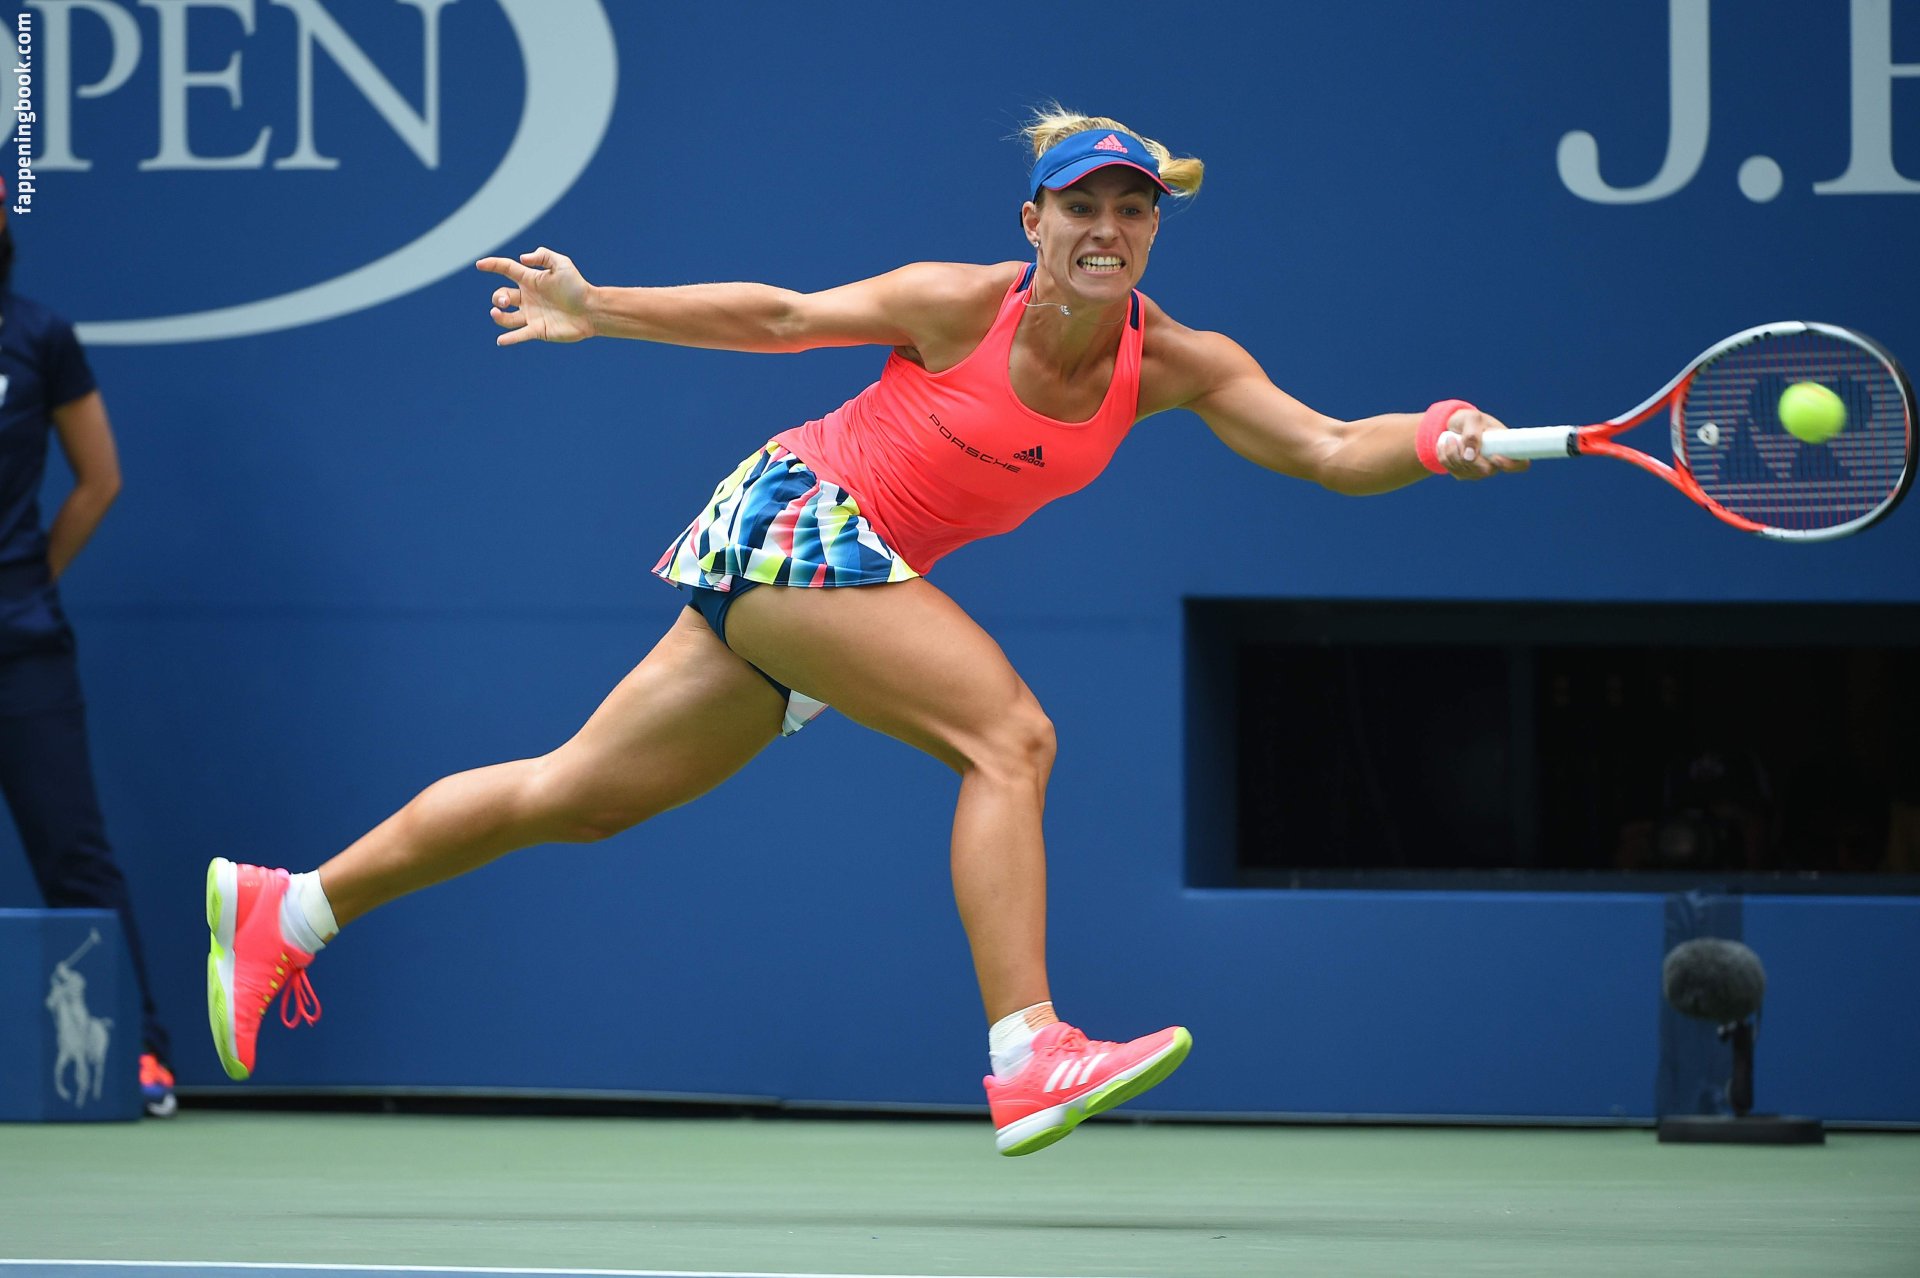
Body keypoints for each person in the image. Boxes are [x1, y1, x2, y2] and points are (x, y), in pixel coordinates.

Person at [205, 107, 1521, 1154]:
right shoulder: (961, 301)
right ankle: (1029, 1051)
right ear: (1035, 222)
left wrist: (1436, 436)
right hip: (804, 517)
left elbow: (1330, 448)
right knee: (1009, 738)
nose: (1108, 228)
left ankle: (292, 908)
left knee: (579, 795)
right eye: (1083, 207)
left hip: (837, 573)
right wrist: (601, 307)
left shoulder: (1177, 364)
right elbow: (782, 317)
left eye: (1133, 210)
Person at [0, 197, 176, 1117]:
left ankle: (140, 1053)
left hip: (20, 645)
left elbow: (98, 479)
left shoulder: (41, 337)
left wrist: (29, 581)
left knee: (76, 854)